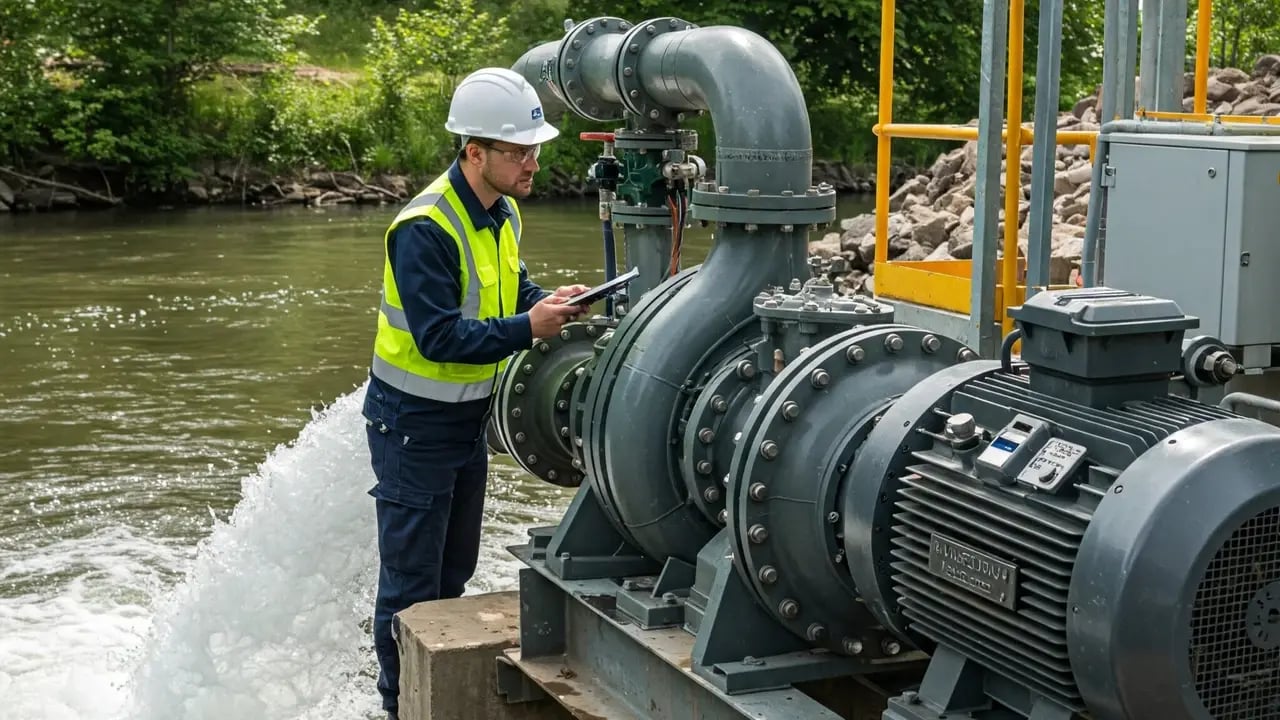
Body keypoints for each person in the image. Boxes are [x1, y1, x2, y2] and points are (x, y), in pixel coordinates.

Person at [360, 67, 589, 720]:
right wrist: (528, 328)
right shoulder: (424, 228)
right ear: (474, 152)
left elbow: (506, 289)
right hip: (411, 425)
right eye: (518, 151)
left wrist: (545, 302)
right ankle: (396, 706)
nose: (533, 162)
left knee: (452, 577)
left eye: (534, 148)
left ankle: (427, 698)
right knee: (410, 587)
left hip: (466, 425)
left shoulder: (502, 213)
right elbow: (436, 336)